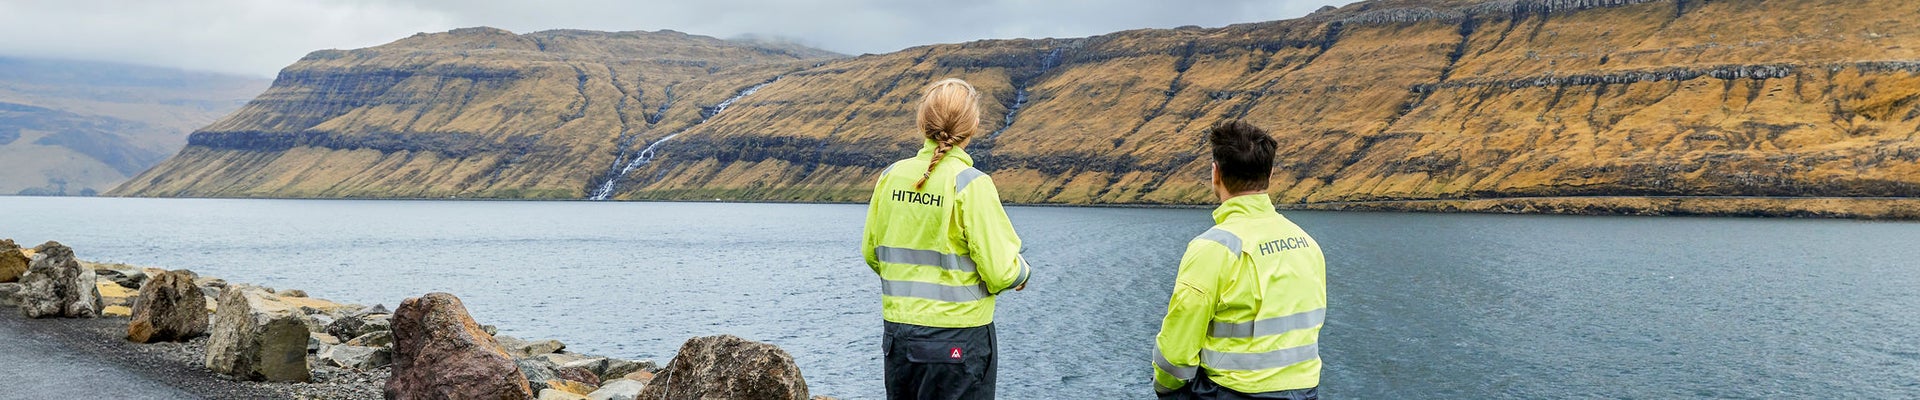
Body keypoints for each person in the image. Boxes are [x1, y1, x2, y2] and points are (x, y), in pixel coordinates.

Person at [862, 78, 1033, 400]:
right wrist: (1022, 272)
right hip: (959, 338)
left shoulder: (891, 176)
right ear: (975, 125)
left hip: (899, 336)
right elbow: (1000, 271)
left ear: (921, 123)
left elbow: (872, 253)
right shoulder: (970, 184)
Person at [1152, 121, 1327, 400]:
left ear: (1215, 173)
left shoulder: (1214, 248)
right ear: (1270, 173)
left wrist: (1165, 387)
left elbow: (1176, 352)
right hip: (1305, 392)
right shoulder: (1306, 243)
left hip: (1234, 393)